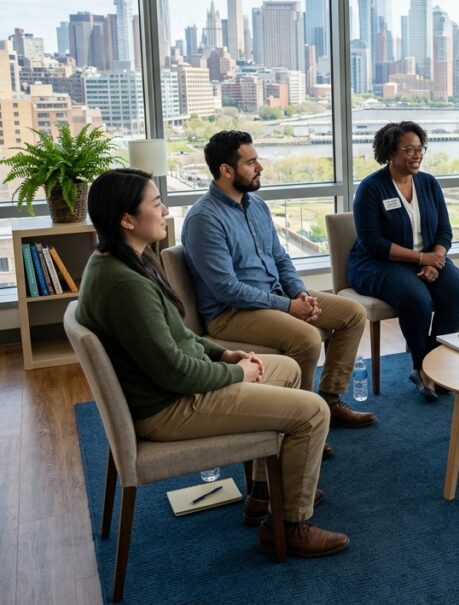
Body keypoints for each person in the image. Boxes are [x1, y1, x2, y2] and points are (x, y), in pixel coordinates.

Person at [76, 168, 350, 557]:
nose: (165, 210)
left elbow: (178, 335)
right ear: (127, 220)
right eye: (156, 203)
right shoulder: (125, 285)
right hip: (167, 407)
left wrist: (222, 353)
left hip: (169, 389)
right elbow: (175, 372)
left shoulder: (125, 261)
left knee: (288, 369)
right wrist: (237, 372)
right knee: (313, 412)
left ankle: (264, 492)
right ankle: (290, 526)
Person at [182, 131, 375, 440]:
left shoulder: (257, 206)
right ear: (226, 170)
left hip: (277, 296)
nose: (260, 167)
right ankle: (300, 423)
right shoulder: (204, 219)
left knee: (353, 313)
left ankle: (328, 400)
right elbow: (227, 288)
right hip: (231, 313)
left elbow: (281, 258)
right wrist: (289, 306)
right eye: (251, 162)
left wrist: (300, 293)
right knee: (307, 339)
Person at [348, 121, 459, 401]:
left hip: (427, 257)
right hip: (378, 263)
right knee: (417, 299)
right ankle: (423, 368)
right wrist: (422, 258)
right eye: (409, 150)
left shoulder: (428, 183)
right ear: (390, 152)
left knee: (457, 290)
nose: (417, 156)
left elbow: (444, 232)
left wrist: (433, 260)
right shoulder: (371, 188)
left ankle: (437, 363)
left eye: (420, 149)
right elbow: (373, 243)